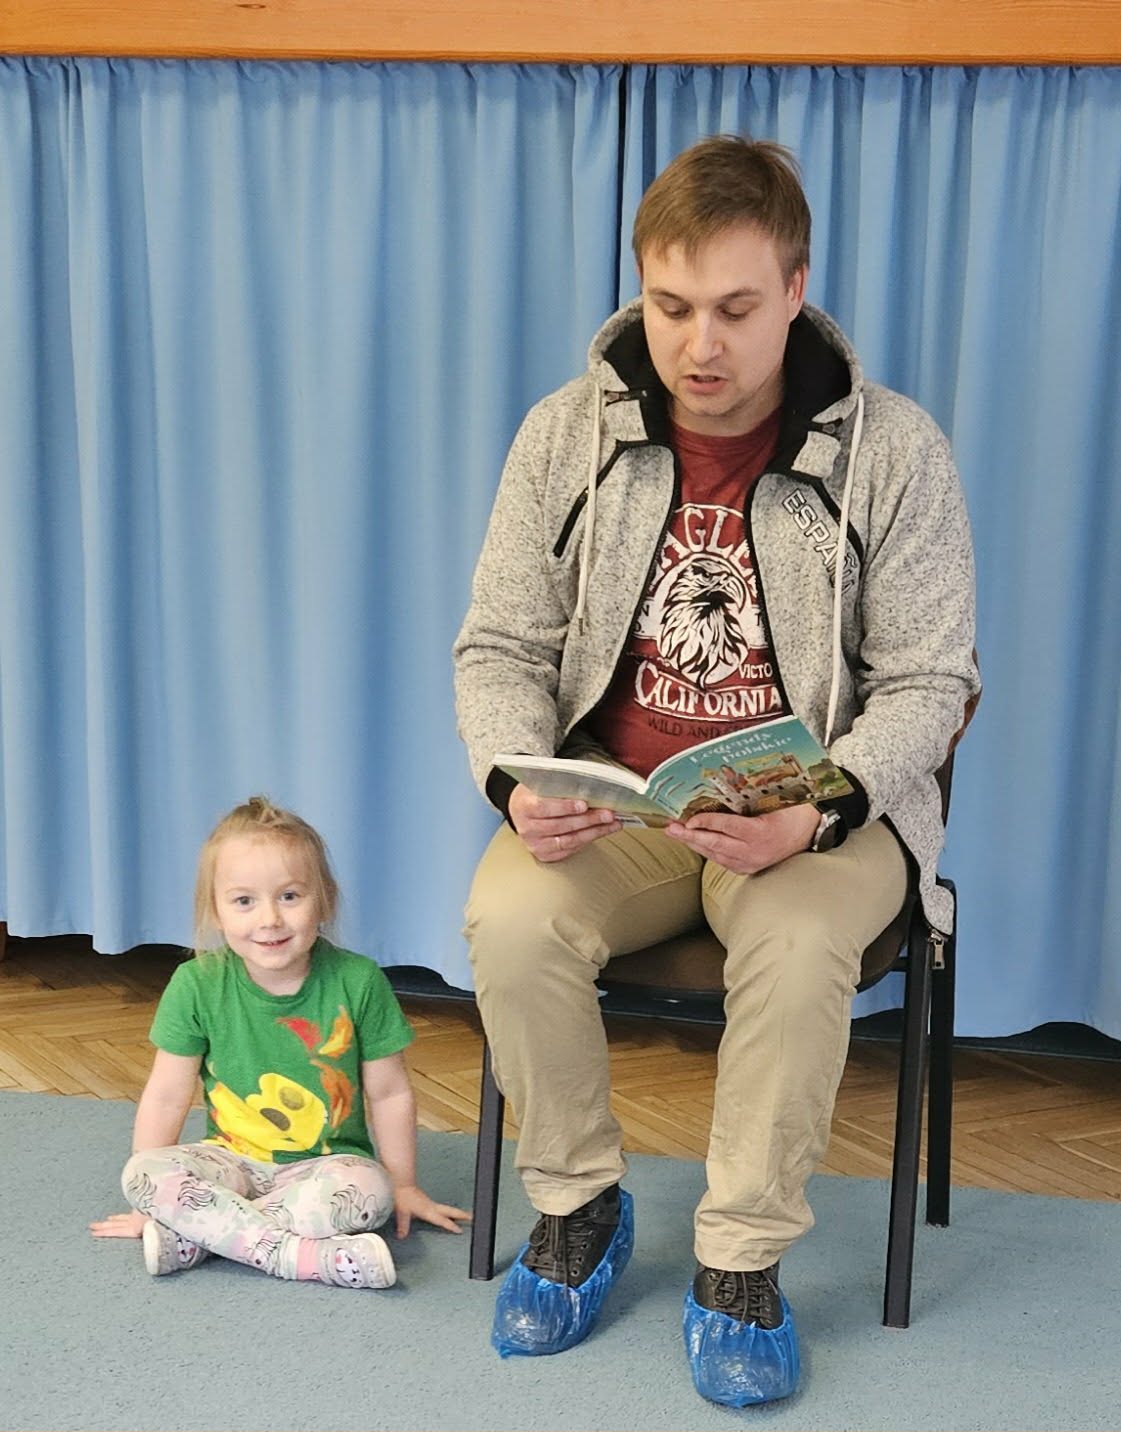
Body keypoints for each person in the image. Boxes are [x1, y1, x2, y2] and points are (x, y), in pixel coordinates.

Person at [454, 136, 979, 1404]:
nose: (700, 344)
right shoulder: (565, 435)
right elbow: (500, 646)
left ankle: (740, 1262)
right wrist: (516, 781)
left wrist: (824, 806)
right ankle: (579, 1205)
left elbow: (931, 682)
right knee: (509, 920)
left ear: (796, 288)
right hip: (624, 805)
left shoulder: (896, 451)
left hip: (815, 810)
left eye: (737, 309)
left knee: (796, 950)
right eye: (672, 304)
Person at [90, 795, 470, 1288]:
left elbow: (390, 1093)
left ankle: (199, 1237)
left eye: (289, 896)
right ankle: (301, 1257)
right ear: (216, 910)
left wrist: (404, 1184)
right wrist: (147, 1205)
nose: (269, 919)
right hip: (228, 1162)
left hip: (325, 1168)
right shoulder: (196, 983)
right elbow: (166, 1095)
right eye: (244, 901)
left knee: (369, 1191)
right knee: (141, 1174)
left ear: (323, 900)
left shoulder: (359, 981)